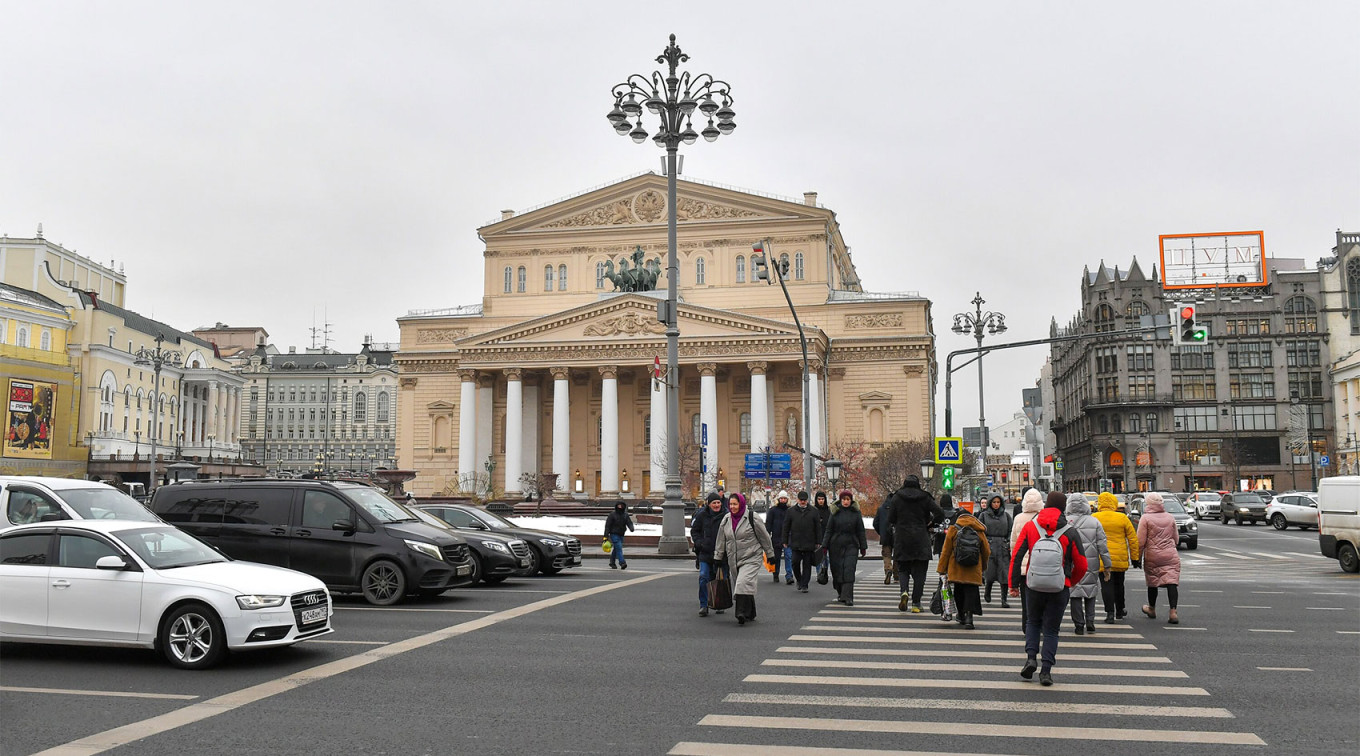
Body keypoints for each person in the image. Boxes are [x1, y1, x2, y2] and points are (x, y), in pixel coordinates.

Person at [1009, 493, 1087, 687]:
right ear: (1063, 508)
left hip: (1033, 585)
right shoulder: (1070, 530)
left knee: (1033, 622)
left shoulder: (1031, 526)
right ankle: (1046, 671)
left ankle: (1030, 659)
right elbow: (1082, 564)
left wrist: (1013, 584)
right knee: (1051, 630)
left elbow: (1016, 556)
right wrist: (1070, 581)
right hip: (1059, 588)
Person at [713, 492, 775, 625]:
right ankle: (751, 612)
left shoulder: (752, 517)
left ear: (741, 504)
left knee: (742, 583)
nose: (732, 507)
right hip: (734, 558)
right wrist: (718, 556)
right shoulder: (726, 519)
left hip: (752, 556)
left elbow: (764, 536)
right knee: (744, 585)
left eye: (735, 504)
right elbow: (721, 539)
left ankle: (740, 612)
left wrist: (770, 554)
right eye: (730, 504)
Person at [887, 475, 946, 612]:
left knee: (903, 569)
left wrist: (899, 523)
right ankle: (916, 603)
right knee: (920, 573)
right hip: (921, 537)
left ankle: (904, 591)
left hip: (902, 538)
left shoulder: (897, 497)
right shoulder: (925, 497)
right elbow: (939, 513)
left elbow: (890, 518)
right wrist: (930, 523)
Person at [1065, 493, 1112, 635]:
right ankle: (1090, 621)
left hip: (1072, 562)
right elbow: (1102, 545)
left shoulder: (1066, 522)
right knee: (1090, 592)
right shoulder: (1094, 522)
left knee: (1075, 593)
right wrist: (1107, 565)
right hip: (1091, 563)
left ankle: (1079, 624)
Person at [938, 501, 990, 628]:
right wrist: (982, 566)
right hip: (974, 566)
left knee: (959, 591)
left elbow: (946, 551)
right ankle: (969, 618)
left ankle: (960, 615)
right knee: (972, 591)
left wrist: (942, 569)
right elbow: (986, 551)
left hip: (957, 567)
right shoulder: (978, 530)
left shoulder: (953, 529)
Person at [1092, 491, 1140, 622]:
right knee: (1119, 584)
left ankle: (1110, 613)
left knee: (1106, 585)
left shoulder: (1094, 517)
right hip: (1119, 558)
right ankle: (1120, 610)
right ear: (1114, 503)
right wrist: (1135, 558)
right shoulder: (1122, 518)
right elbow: (1133, 539)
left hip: (1102, 558)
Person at [1137, 492, 1182, 624]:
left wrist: (1137, 558)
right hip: (1170, 554)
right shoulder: (1170, 517)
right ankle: (1173, 612)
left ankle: (1152, 608)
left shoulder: (1145, 518)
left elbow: (1140, 542)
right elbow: (1176, 538)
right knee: (1172, 582)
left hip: (1153, 555)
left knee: (1153, 582)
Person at [822, 489, 868, 605]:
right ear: (840, 500)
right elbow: (829, 530)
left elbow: (860, 531)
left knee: (849, 570)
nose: (846, 502)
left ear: (851, 500)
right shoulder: (835, 512)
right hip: (835, 545)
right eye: (844, 499)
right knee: (837, 570)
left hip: (851, 545)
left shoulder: (856, 513)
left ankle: (848, 597)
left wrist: (863, 546)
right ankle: (840, 592)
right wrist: (825, 546)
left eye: (848, 499)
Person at [1010, 488, 1047, 628]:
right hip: (1039, 564)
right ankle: (1041, 624)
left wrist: (1014, 566)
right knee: (1041, 598)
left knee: (1026, 600)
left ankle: (1027, 625)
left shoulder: (1018, 518)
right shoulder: (1043, 518)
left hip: (1022, 567)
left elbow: (1014, 544)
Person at [690, 492, 726, 617]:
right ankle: (704, 605)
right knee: (704, 577)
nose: (716, 505)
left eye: (718, 503)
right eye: (714, 503)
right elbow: (695, 531)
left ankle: (718, 603)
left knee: (720, 579)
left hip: (721, 554)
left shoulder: (726, 515)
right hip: (705, 553)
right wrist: (700, 543)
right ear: (709, 504)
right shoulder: (702, 515)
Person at [783, 489, 821, 592]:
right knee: (795, 562)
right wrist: (785, 540)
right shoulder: (791, 511)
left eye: (804, 500)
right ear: (797, 500)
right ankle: (799, 580)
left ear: (807, 500)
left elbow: (818, 527)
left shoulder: (814, 511)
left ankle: (805, 585)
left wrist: (818, 541)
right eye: (801, 500)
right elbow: (786, 527)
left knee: (807, 565)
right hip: (796, 542)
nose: (803, 502)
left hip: (809, 542)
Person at [979, 494, 1013, 607]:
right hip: (990, 546)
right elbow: (980, 531)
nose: (996, 504)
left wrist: (1007, 542)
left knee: (1004, 574)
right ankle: (987, 590)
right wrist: (985, 542)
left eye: (998, 502)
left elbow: (1010, 530)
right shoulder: (984, 515)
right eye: (994, 502)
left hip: (1003, 547)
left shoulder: (1006, 516)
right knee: (990, 573)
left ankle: (1004, 599)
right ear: (990, 503)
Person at [766, 490, 791, 584]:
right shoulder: (773, 510)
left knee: (789, 556)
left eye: (785, 498)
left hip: (788, 537)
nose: (783, 500)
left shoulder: (790, 510)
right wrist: (767, 535)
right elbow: (769, 523)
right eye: (781, 498)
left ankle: (789, 575)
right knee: (776, 557)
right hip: (776, 537)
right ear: (778, 499)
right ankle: (776, 574)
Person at [872, 489, 896, 584]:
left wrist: (881, 532)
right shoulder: (898, 508)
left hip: (885, 535)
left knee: (886, 555)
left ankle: (888, 569)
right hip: (897, 535)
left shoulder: (881, 509)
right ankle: (897, 575)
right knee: (897, 556)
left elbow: (875, 523)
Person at [604, 501, 634, 570]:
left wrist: (631, 528)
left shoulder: (625, 515)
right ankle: (622, 562)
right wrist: (605, 536)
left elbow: (629, 522)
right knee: (619, 548)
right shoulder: (612, 515)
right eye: (619, 506)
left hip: (621, 534)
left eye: (621, 506)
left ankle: (612, 562)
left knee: (616, 549)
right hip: (614, 534)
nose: (620, 507)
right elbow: (607, 526)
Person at [813, 490, 832, 583]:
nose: (821, 501)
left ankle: (824, 572)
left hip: (827, 537)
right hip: (817, 538)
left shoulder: (828, 511)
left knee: (826, 557)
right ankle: (819, 573)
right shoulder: (813, 510)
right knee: (818, 557)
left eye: (822, 499)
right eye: (819, 499)